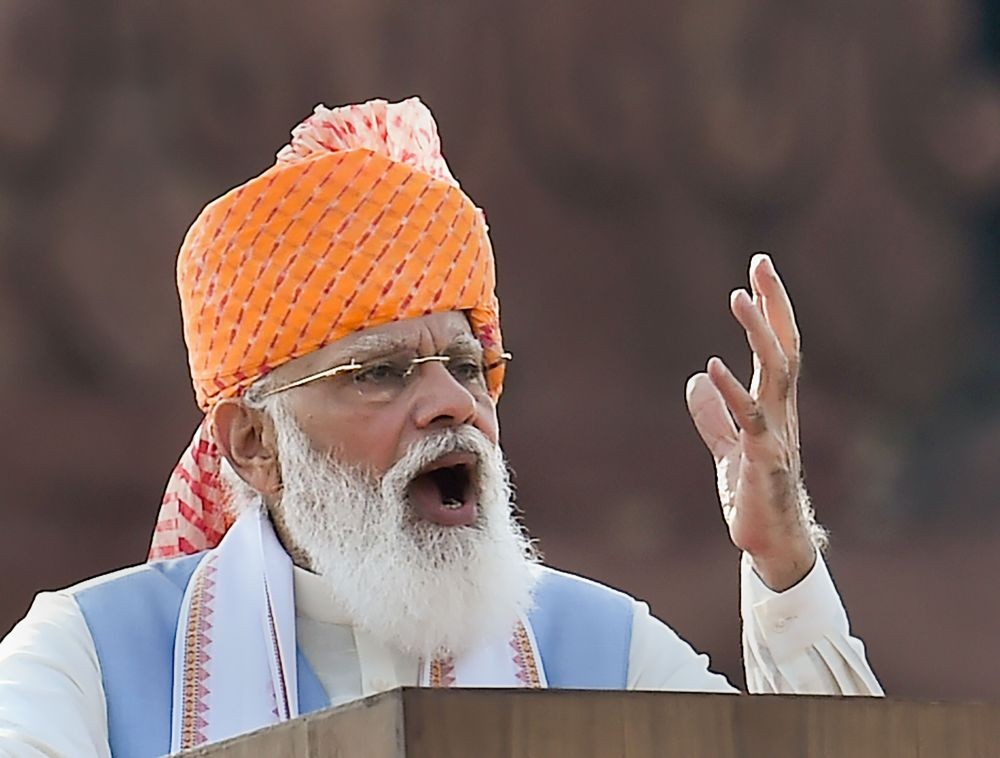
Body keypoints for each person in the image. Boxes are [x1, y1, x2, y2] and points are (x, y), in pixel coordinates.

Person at [0, 97, 882, 758]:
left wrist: (787, 567)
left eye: (466, 366)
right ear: (252, 445)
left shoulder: (596, 653)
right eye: (379, 373)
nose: (452, 404)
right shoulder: (89, 663)